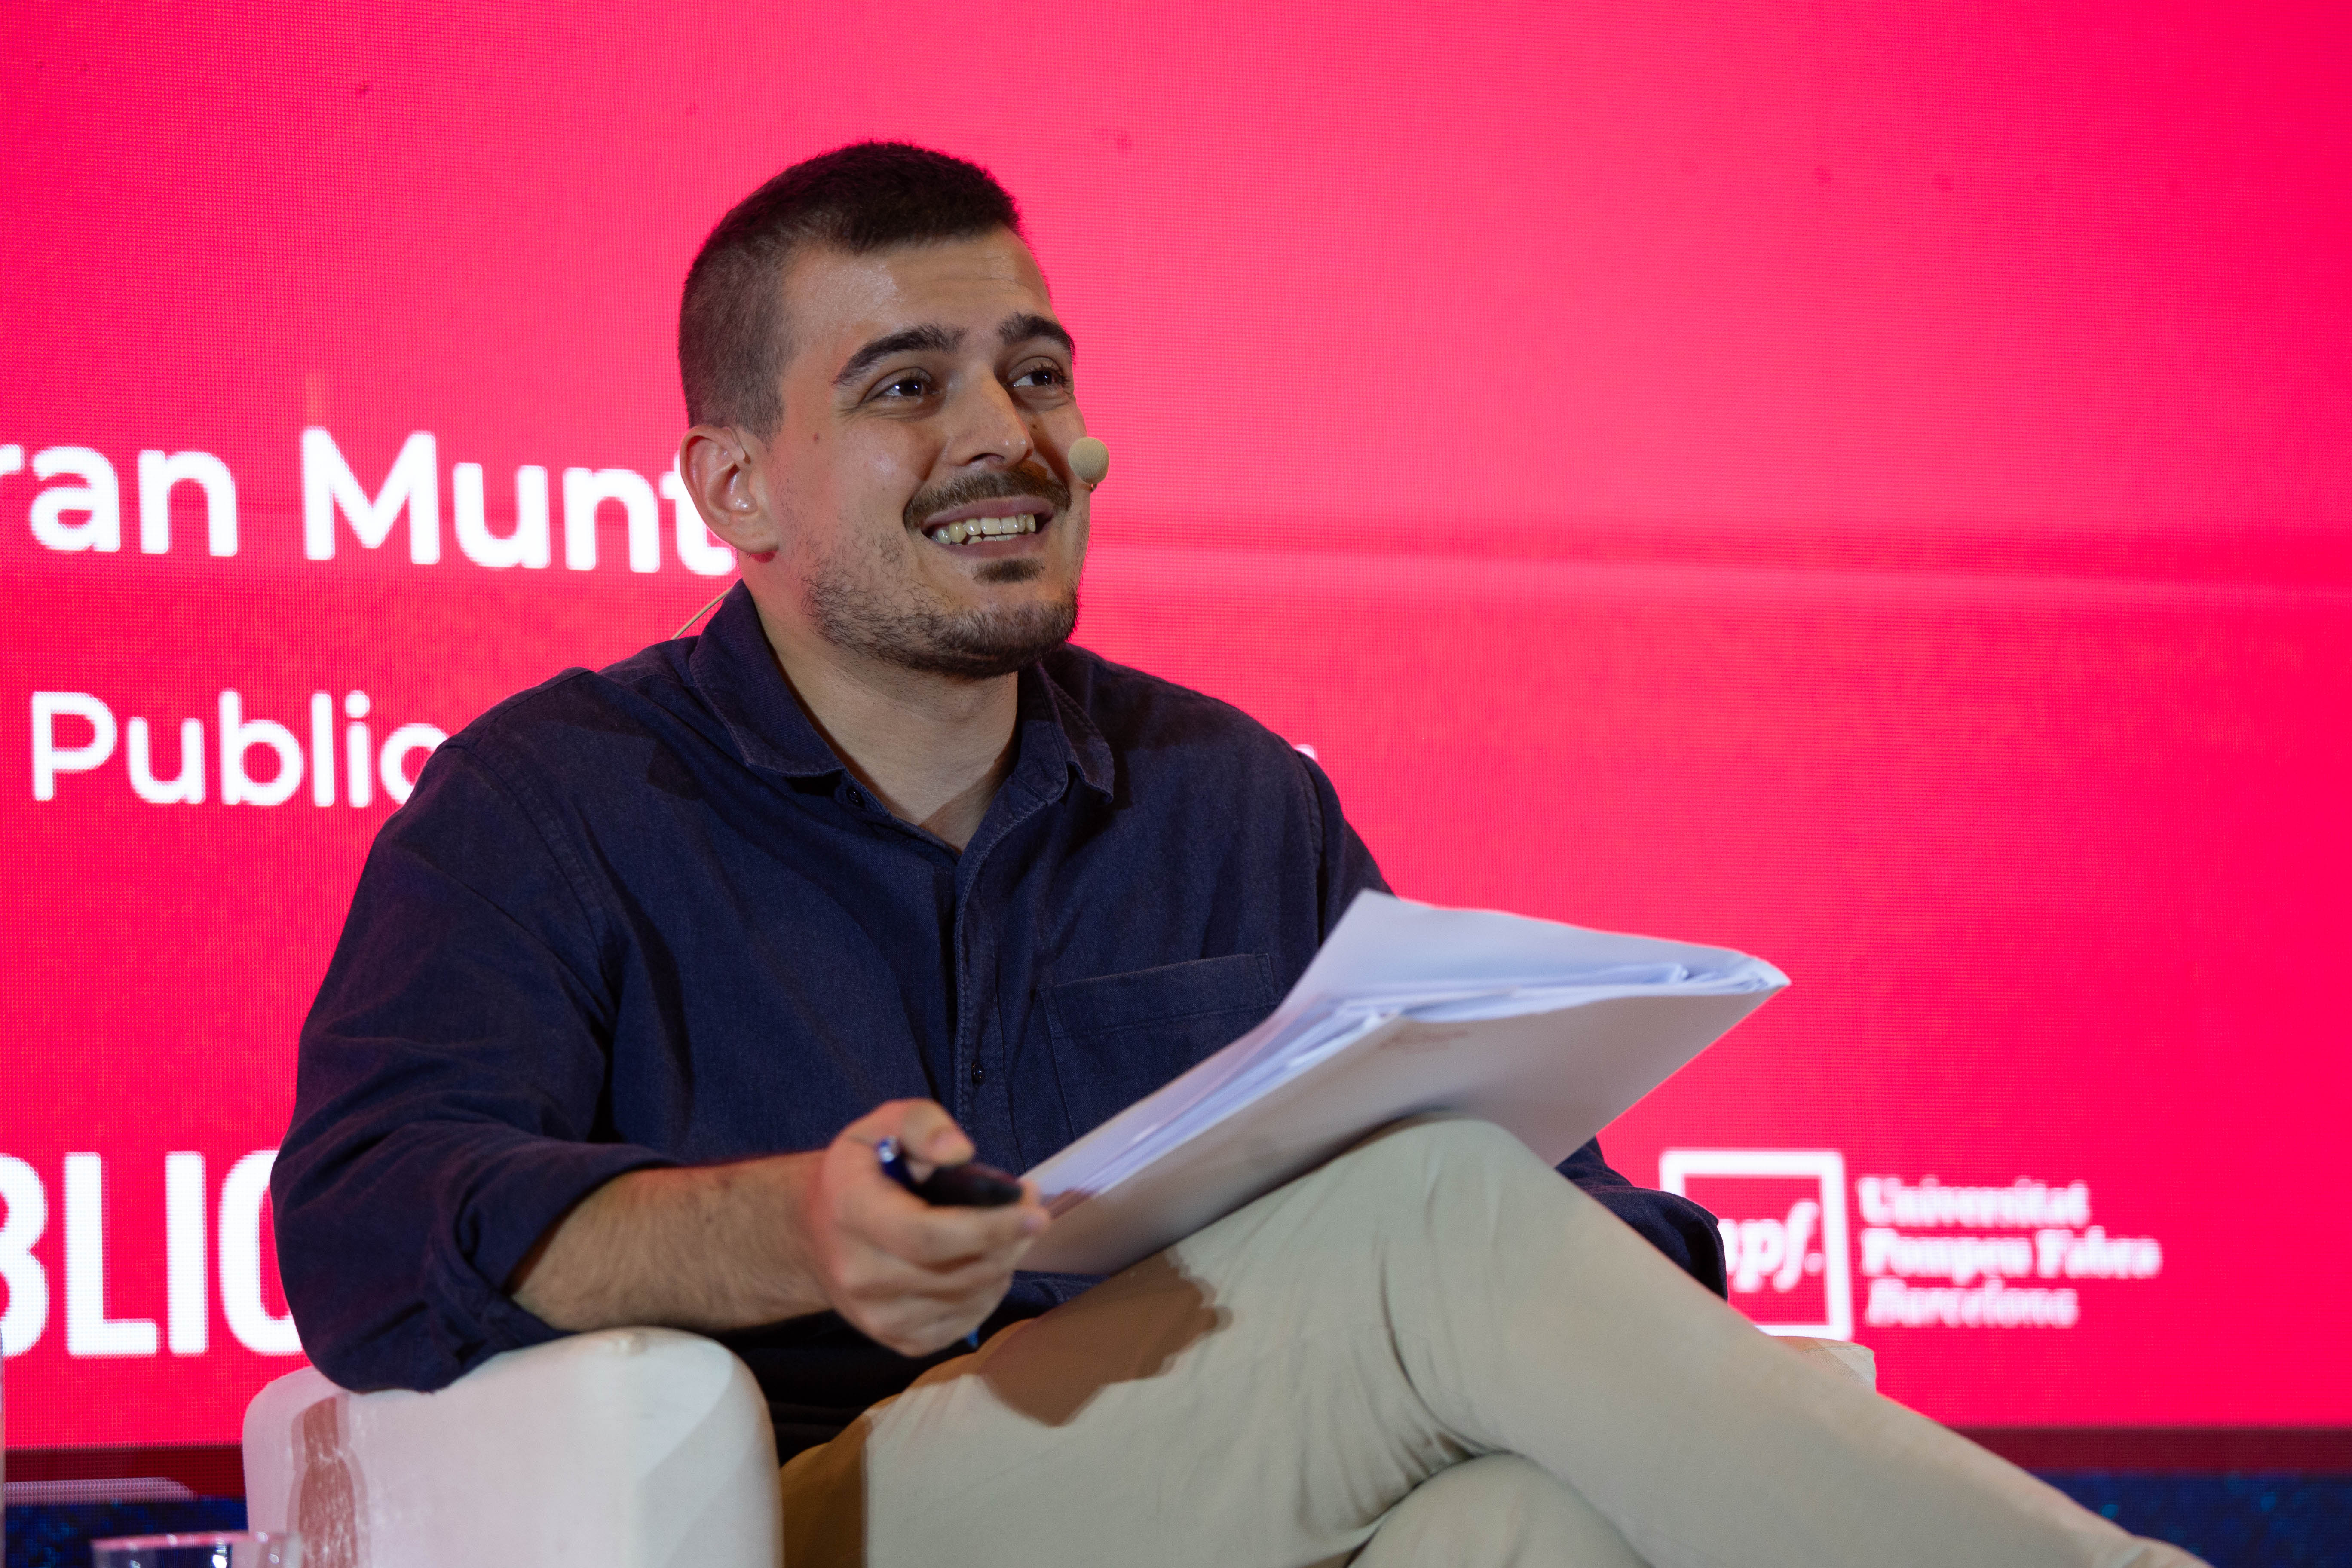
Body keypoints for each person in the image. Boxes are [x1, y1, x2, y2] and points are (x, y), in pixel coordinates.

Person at [276, 142, 2203, 1568]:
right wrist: (792, 1232)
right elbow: (371, 1228)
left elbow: (1561, 1217)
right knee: (1438, 1221)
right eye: (904, 386)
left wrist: (1607, 1276)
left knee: (1522, 1526)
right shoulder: (553, 798)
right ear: (731, 485)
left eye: (1037, 373)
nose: (1007, 438)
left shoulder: (1224, 797)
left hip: (1213, 1479)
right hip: (820, 1515)